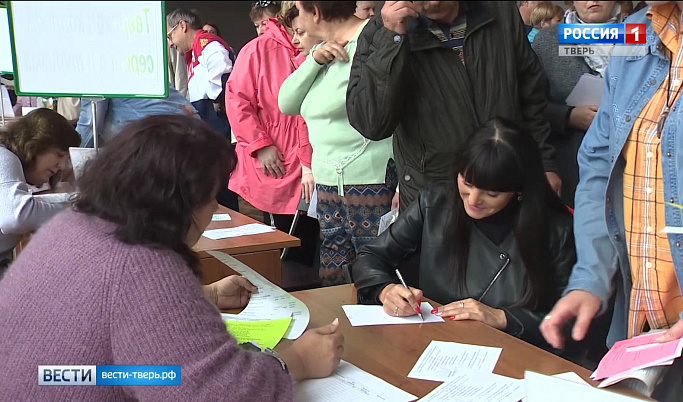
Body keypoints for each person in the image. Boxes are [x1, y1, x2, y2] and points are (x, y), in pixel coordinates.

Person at [0, 114, 344, 399]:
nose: (214, 209)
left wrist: (200, 296)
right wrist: (297, 361)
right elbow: (213, 392)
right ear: (181, 203)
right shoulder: (142, 263)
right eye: (212, 197)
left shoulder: (71, 226)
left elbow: (108, 315)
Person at [540, 1, 683, 386]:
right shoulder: (634, 32)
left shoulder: (623, 32)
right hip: (640, 320)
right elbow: (601, 163)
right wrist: (591, 276)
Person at [353, 118, 575, 350]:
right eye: (467, 183)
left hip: (514, 356)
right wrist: (385, 290)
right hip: (433, 343)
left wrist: (502, 318)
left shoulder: (556, 232)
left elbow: (572, 322)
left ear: (518, 190)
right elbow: (370, 256)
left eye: (491, 193)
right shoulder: (436, 203)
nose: (474, 199)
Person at [347, 1, 560, 213]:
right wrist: (392, 39)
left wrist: (545, 162)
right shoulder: (381, 30)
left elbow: (531, 95)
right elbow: (371, 123)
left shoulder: (499, 11)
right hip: (434, 199)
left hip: (505, 186)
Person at [279, 1, 396, 286]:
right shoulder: (323, 50)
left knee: (378, 277)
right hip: (329, 184)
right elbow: (286, 102)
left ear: (315, 11)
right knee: (334, 279)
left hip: (373, 180)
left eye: (299, 8)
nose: (297, 26)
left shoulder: (372, 39)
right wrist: (314, 61)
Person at [226, 3, 319, 267]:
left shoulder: (320, 44)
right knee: (283, 248)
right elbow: (237, 101)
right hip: (275, 160)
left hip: (313, 160)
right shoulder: (257, 50)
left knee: (311, 243)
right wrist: (259, 144)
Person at [532, 1, 620, 209]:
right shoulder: (548, 41)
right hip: (573, 162)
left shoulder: (639, 34)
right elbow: (530, 104)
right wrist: (568, 116)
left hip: (630, 161)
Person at [0, 109, 81, 274]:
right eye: (59, 155)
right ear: (35, 144)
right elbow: (16, 216)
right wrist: (76, 206)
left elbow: (27, 207)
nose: (63, 166)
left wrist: (74, 200)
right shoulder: (4, 156)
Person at [76, 87, 198, 148]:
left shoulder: (96, 68)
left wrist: (69, 158)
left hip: (161, 139)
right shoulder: (134, 61)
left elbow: (91, 123)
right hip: (195, 128)